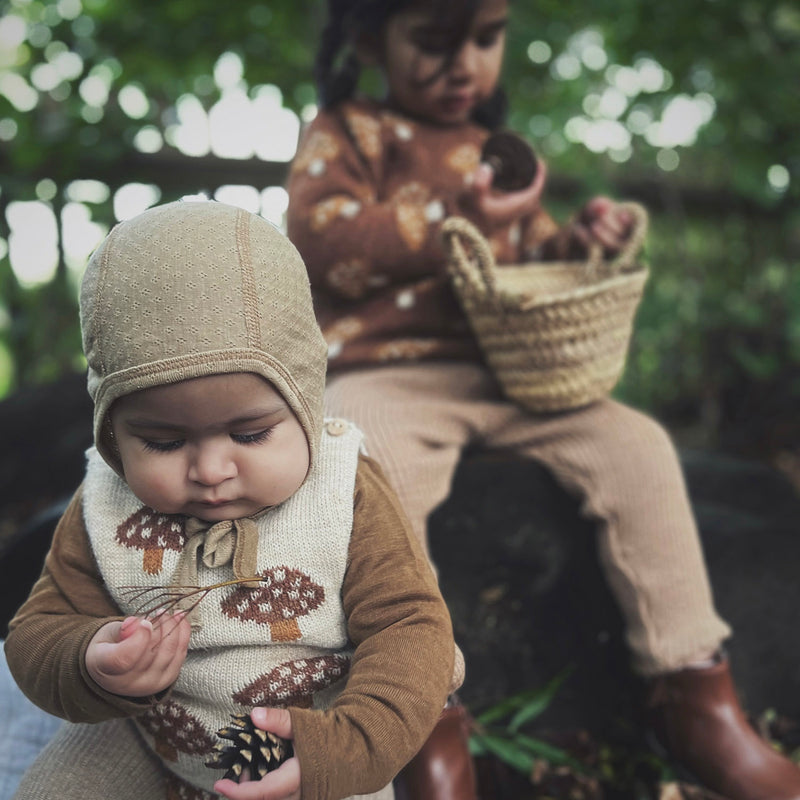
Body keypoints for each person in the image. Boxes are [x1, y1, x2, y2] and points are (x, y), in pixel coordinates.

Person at [285, 2, 800, 799]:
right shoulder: (348, 132)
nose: (466, 64)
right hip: (388, 371)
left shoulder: (492, 150)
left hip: (511, 374)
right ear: (366, 39)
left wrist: (577, 242)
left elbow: (526, 255)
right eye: (434, 40)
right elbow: (324, 238)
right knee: (372, 465)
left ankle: (696, 697)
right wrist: (454, 218)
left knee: (636, 446)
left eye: (488, 39)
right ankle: (422, 717)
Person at [4, 200, 455, 800]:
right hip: (147, 736)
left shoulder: (342, 491)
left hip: (310, 741)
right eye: (163, 441)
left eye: (250, 435)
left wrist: (351, 747)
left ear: (305, 404)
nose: (212, 471)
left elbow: (411, 628)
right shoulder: (106, 503)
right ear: (113, 432)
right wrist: (89, 659)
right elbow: (38, 628)